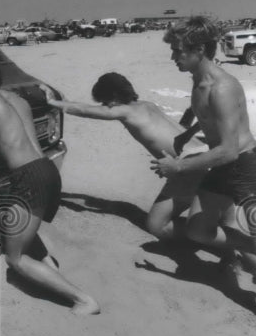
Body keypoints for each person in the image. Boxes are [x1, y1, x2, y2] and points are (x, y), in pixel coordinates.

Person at [151, 16, 256, 336]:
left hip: (249, 167)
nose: (173, 57)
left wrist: (178, 167)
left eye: (178, 51)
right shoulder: (199, 80)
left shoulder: (222, 87)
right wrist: (189, 131)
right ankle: (250, 248)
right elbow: (209, 117)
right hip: (226, 167)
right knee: (199, 230)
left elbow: (228, 150)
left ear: (199, 50)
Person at [0, 48, 100, 315]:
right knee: (17, 225)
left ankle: (83, 300)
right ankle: (49, 274)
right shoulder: (16, 99)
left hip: (29, 177)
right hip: (47, 170)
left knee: (15, 258)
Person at [40, 72, 206, 242]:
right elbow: (77, 105)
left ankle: (208, 233)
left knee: (157, 226)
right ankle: (209, 220)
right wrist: (57, 95)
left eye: (104, 102)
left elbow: (84, 110)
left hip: (189, 168)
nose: (104, 106)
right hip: (205, 156)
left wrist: (52, 102)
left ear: (113, 97)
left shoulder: (125, 111)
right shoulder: (148, 105)